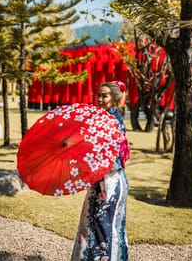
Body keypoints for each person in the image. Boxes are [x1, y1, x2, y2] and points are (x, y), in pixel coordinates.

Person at [70, 81, 130, 261]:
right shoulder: (107, 118)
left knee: (105, 229)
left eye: (105, 95)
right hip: (102, 180)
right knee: (94, 226)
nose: (100, 99)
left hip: (108, 181)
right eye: (99, 95)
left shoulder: (111, 121)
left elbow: (112, 159)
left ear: (115, 98)